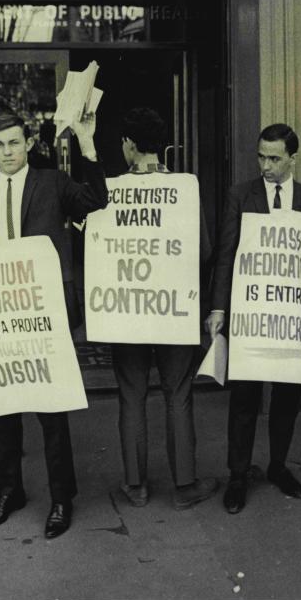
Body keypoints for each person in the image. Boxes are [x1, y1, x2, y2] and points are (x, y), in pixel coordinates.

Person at [0, 111, 106, 539]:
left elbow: (96, 201)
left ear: (28, 145)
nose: (7, 152)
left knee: (51, 409)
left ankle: (61, 498)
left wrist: (89, 145)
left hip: (44, 312)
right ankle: (10, 490)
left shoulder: (53, 182)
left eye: (15, 143)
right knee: (3, 406)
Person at [205, 123, 301, 512]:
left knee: (286, 396)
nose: (266, 165)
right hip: (250, 314)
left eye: (275, 158)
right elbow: (226, 253)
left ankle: (279, 466)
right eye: (261, 156)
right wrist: (218, 309)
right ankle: (238, 474)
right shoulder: (240, 195)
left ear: (293, 158)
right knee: (244, 397)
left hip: (293, 316)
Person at [109, 107, 218, 510]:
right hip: (174, 308)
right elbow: (205, 250)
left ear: (129, 145)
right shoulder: (185, 187)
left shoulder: (112, 190)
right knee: (179, 394)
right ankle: (185, 484)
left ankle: (135, 485)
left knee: (131, 396)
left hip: (127, 309)